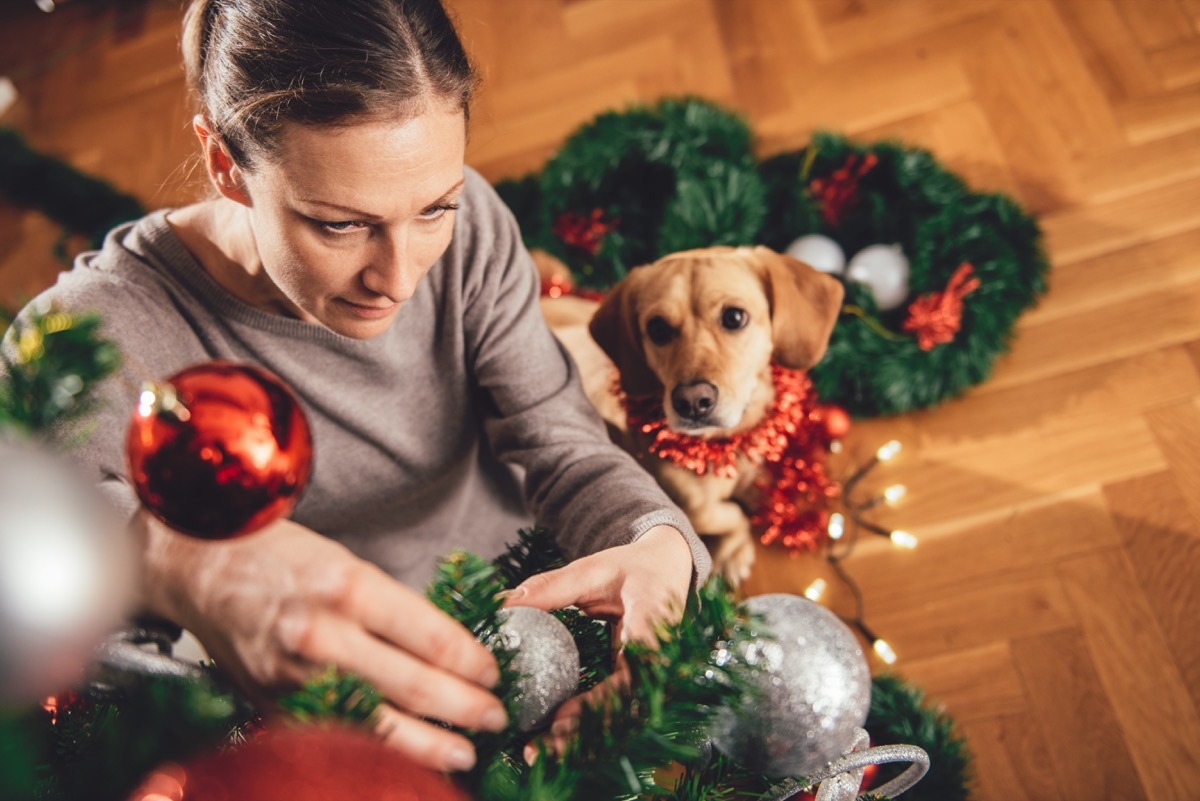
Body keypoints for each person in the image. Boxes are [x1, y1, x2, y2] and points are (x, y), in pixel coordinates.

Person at [2, 0, 709, 774]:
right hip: (321, 709)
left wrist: (658, 542)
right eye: (340, 225)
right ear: (225, 164)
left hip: (528, 594)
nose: (400, 278)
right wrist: (171, 557)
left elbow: (558, 435)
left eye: (432, 208)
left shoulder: (470, 227)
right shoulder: (86, 341)